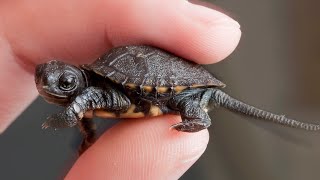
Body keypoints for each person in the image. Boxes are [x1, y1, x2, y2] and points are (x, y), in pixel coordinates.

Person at [0, 0, 241, 179]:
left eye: (65, 83)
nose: (49, 86)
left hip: (177, 89)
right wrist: (87, 132)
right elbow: (87, 105)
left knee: (180, 101)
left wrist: (68, 116)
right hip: (144, 95)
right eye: (41, 79)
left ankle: (198, 116)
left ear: (79, 79)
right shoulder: (91, 94)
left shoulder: (94, 92)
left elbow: (88, 98)